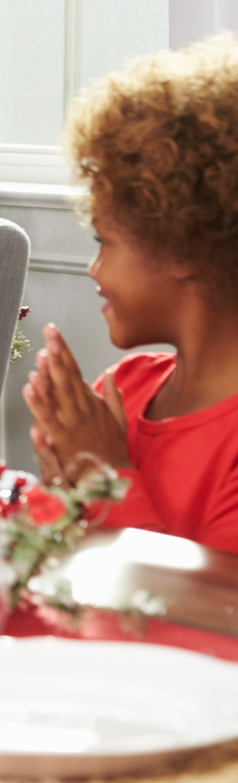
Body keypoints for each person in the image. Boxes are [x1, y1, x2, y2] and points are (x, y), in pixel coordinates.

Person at [23, 38, 238, 550]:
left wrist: (105, 480)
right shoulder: (123, 392)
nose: (94, 268)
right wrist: (62, 498)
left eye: (105, 241)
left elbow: (211, 614)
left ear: (181, 244)